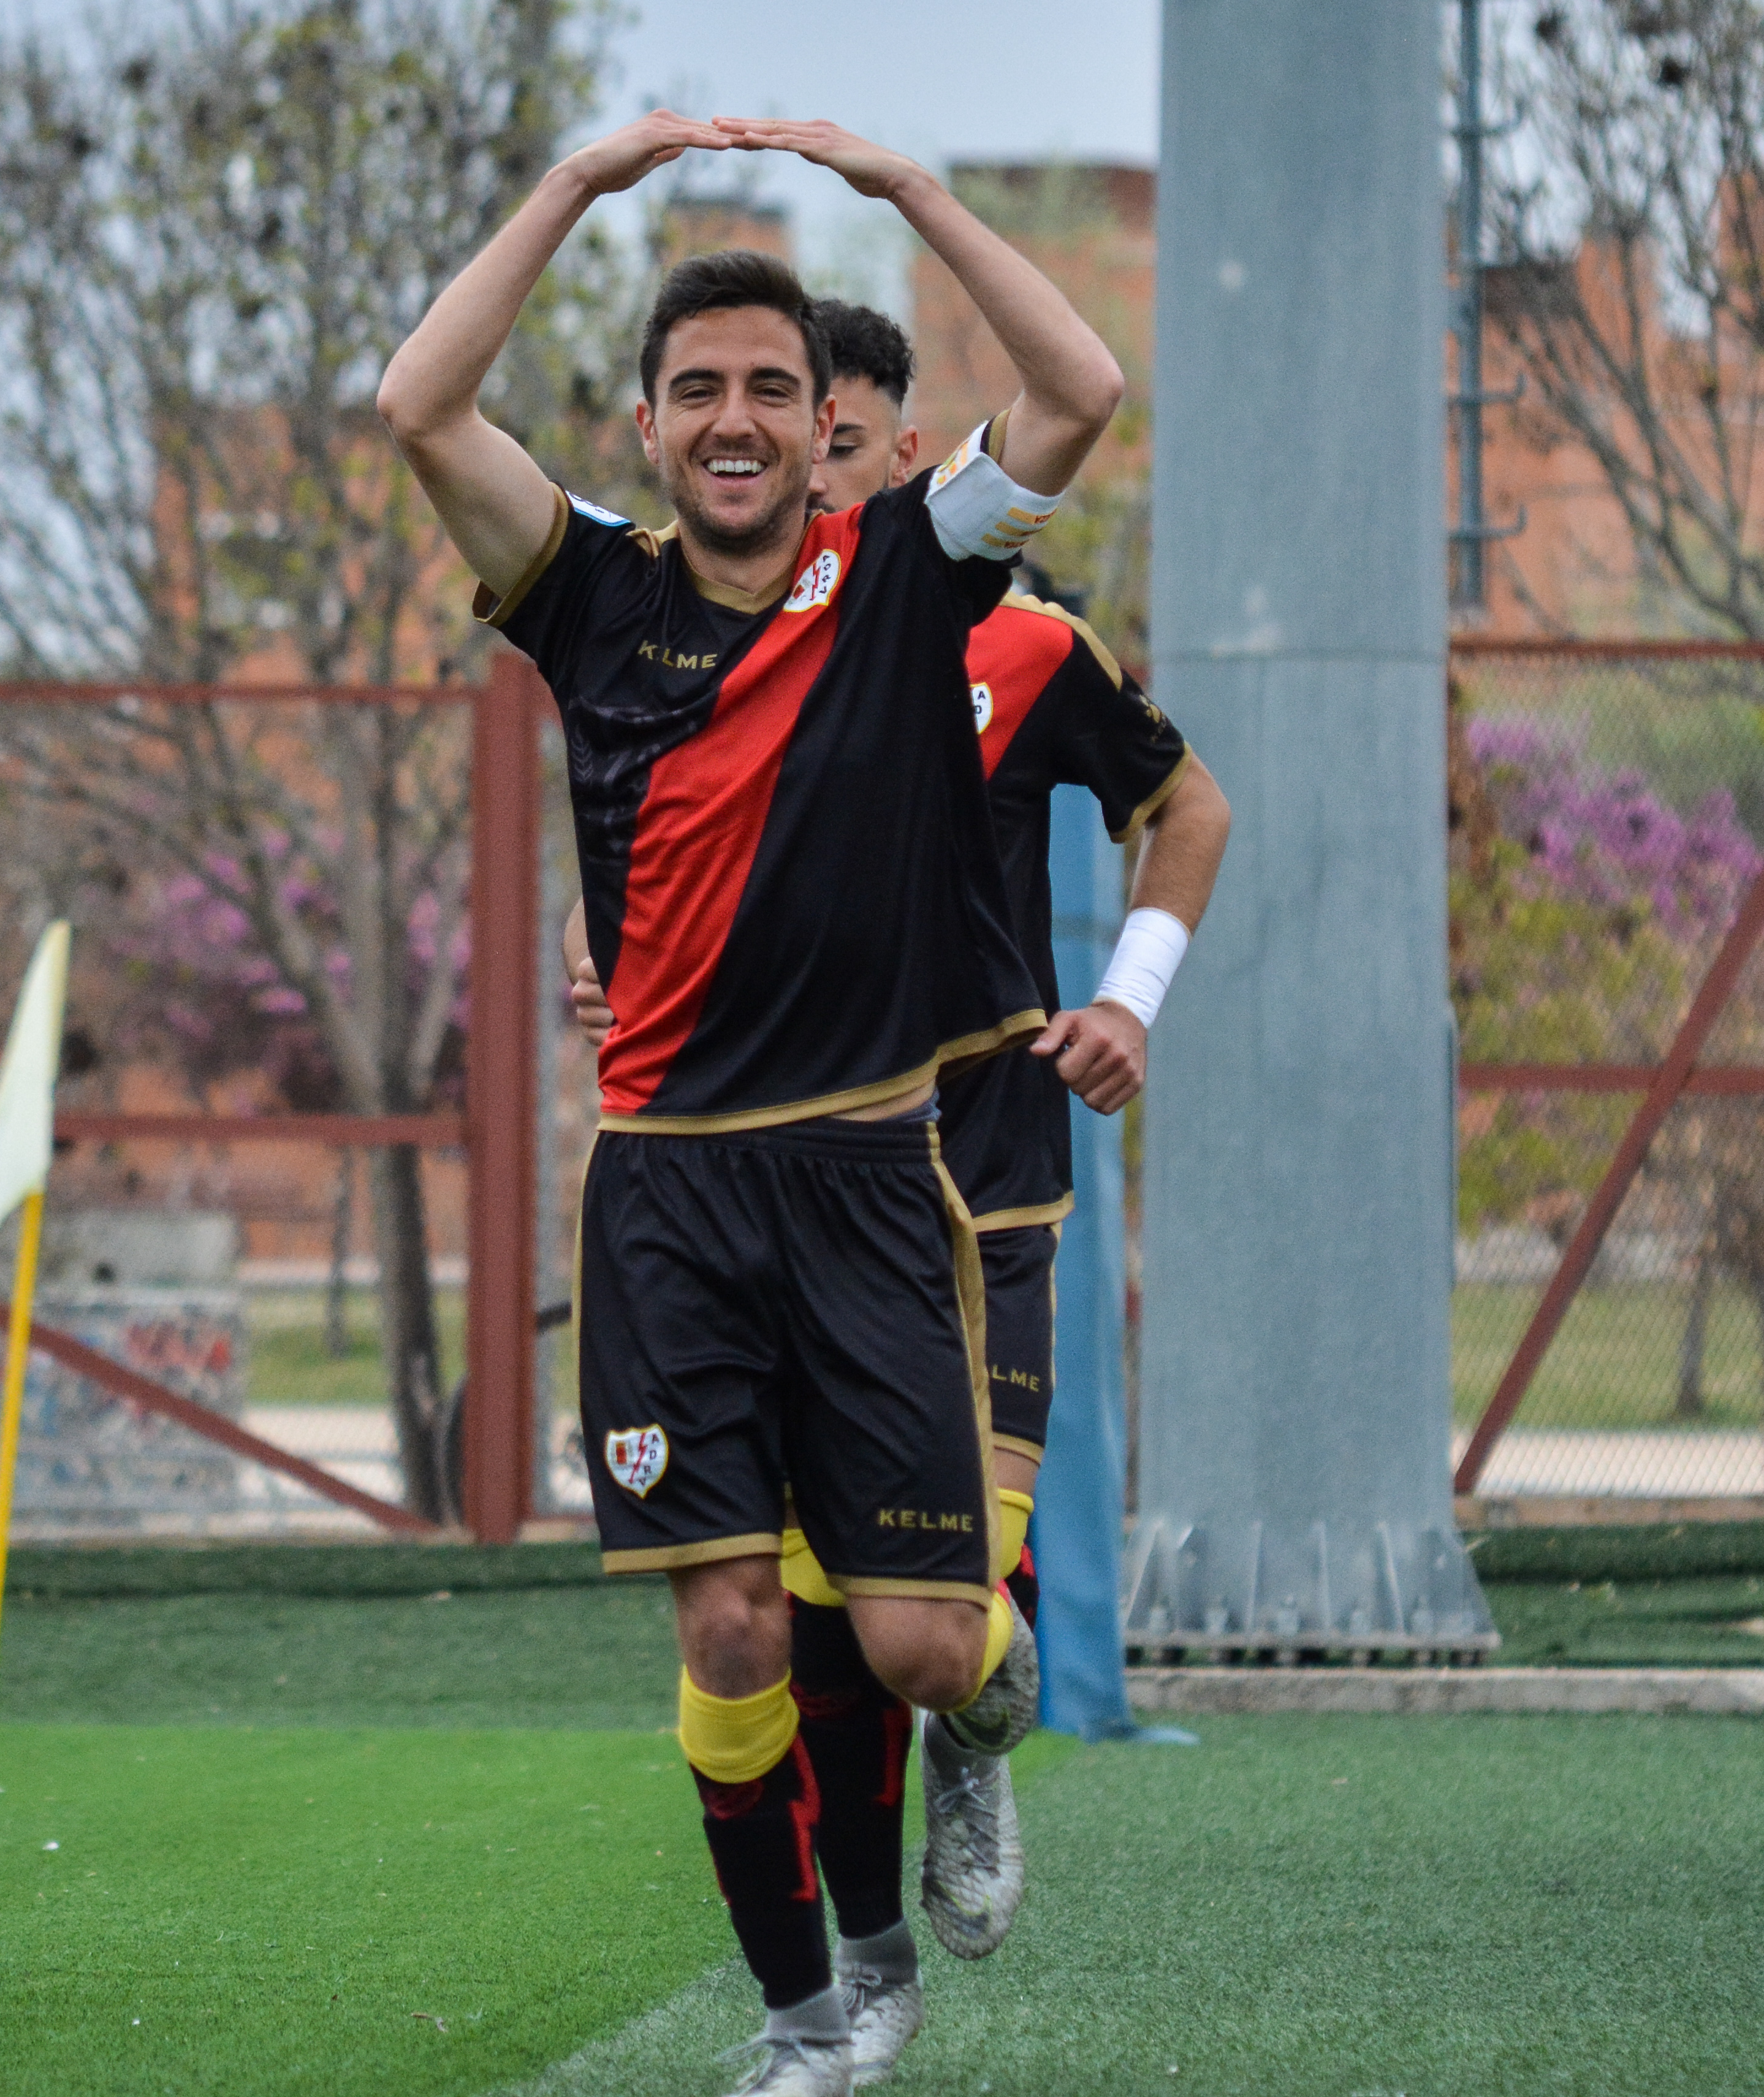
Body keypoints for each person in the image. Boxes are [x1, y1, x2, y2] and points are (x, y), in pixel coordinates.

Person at [378, 111, 1124, 2097]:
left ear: (822, 429)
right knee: (724, 1636)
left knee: (907, 1651)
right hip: (665, 1202)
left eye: (770, 391)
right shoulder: (583, 596)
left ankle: (977, 1717)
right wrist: (565, 192)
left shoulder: (901, 574)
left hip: (872, 1191)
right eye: (696, 388)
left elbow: (1081, 388)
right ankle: (817, 2010)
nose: (733, 415)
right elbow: (416, 399)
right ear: (643, 427)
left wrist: (914, 201)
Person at [565, 302, 1231, 2023]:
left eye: (843, 446)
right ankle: (851, 1974)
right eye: (795, 444)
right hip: (762, 1184)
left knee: (929, 1620)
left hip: (978, 1177)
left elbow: (1188, 807)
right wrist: (612, 962)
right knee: (798, 1611)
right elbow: (670, 840)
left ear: (897, 461)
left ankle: (978, 1732)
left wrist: (1128, 1002)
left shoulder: (1013, 648)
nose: (811, 481)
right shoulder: (717, 639)